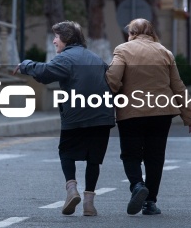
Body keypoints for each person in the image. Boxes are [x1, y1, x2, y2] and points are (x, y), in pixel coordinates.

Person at [13, 21, 115, 216]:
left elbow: (44, 73)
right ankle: (89, 204)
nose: (54, 41)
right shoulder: (96, 59)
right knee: (94, 159)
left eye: (57, 37)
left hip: (75, 115)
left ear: (67, 39)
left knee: (66, 152)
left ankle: (71, 189)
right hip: (102, 116)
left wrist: (26, 65)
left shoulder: (66, 58)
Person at [106, 18, 191, 216]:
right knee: (155, 157)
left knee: (130, 154)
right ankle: (150, 202)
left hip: (131, 113)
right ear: (151, 33)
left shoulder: (123, 50)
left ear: (132, 33)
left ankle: (137, 185)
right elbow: (178, 87)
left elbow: (113, 79)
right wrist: (190, 116)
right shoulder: (165, 52)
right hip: (161, 113)